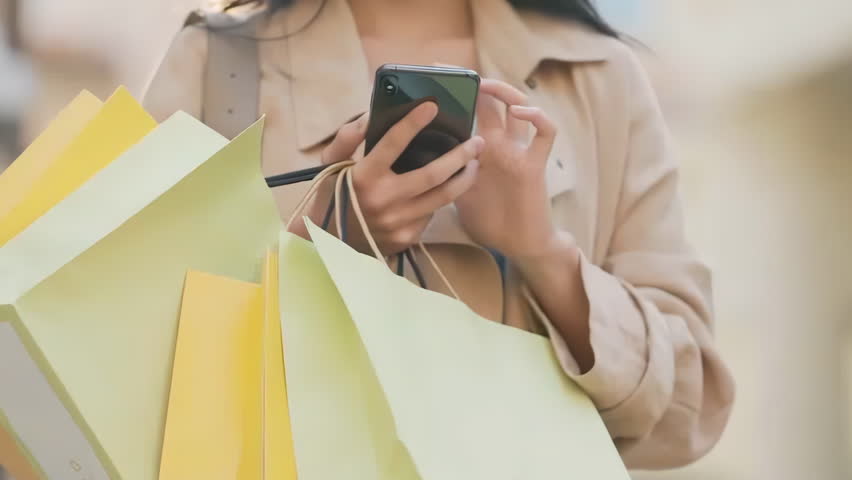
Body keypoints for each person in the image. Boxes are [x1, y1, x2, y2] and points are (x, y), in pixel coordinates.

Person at [144, 0, 735, 469]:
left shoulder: (598, 77)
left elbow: (690, 409)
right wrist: (331, 236)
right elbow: (135, 356)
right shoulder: (215, 65)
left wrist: (542, 253)